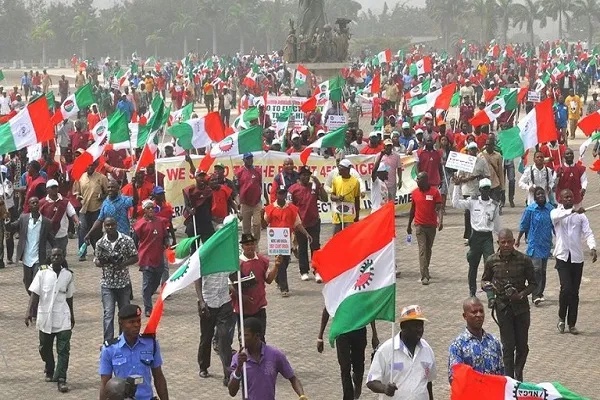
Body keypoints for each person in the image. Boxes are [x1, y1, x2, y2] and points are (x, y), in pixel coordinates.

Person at [481, 228, 536, 381]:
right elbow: (484, 280)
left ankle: (519, 373)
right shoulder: (491, 260)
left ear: (514, 242)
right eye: (503, 242)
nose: (506, 245)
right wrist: (488, 289)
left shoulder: (524, 260)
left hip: (522, 309)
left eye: (509, 242)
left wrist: (521, 294)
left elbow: (533, 283)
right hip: (503, 308)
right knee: (508, 346)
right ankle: (509, 379)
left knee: (522, 347)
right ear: (498, 243)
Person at [25, 248, 74, 393]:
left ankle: (61, 379)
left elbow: (70, 297)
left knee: (64, 350)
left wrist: (72, 315)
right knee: (44, 348)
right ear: (50, 257)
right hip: (45, 316)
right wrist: (29, 311)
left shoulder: (68, 275)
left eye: (59, 255)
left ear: (63, 257)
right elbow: (35, 293)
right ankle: (50, 367)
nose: (57, 257)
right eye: (54, 255)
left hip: (63, 316)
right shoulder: (42, 272)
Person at [551, 189, 597, 335]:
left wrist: (593, 247)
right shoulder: (555, 213)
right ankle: (561, 317)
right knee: (566, 288)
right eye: (566, 197)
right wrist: (573, 212)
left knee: (574, 292)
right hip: (562, 256)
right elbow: (558, 217)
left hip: (577, 258)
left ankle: (572, 323)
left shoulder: (580, 216)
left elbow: (588, 232)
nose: (569, 199)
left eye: (571, 197)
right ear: (561, 199)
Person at [99, 304, 169, 400]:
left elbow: (159, 377)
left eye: (138, 321)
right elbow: (105, 383)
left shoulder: (151, 344)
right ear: (121, 323)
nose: (136, 325)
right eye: (131, 322)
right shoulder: (110, 349)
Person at [366, 305, 435, 400]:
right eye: (415, 325)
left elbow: (428, 382)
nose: (420, 329)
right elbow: (371, 381)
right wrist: (385, 389)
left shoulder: (427, 349)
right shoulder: (386, 350)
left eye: (421, 325)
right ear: (403, 327)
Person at [229, 317, 306, 400]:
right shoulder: (238, 358)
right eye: (240, 334)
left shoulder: (275, 354)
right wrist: (239, 368)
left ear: (257, 336)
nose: (241, 338)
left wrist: (302, 395)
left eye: (245, 335)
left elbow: (292, 378)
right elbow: (232, 392)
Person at [452, 178, 500, 297]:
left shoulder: (494, 205)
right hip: (475, 237)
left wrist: (500, 239)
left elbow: (497, 224)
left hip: (487, 237)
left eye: (488, 189)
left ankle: (490, 296)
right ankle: (472, 291)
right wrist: (457, 186)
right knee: (473, 265)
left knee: (490, 265)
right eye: (484, 189)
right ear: (480, 190)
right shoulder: (473, 202)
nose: (486, 191)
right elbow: (455, 203)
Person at [318, 308, 379, 400]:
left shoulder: (358, 293)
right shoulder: (336, 294)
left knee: (359, 367)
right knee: (345, 367)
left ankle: (357, 384)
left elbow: (368, 307)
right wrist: (320, 337)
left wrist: (374, 334)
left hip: (359, 329)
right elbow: (327, 307)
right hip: (342, 332)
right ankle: (348, 397)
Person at [94, 217, 139, 342]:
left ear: (116, 225)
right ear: (104, 226)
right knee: (108, 314)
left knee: (124, 314)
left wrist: (123, 264)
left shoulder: (126, 240)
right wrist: (102, 261)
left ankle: (123, 340)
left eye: (112, 225)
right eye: (107, 225)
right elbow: (96, 260)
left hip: (123, 283)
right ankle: (108, 341)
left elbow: (135, 257)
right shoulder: (100, 243)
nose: (110, 227)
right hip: (107, 284)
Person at [263, 187, 313, 297]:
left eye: (283, 193)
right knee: (280, 262)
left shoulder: (292, 208)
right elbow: (264, 224)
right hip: (275, 240)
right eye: (279, 193)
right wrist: (262, 214)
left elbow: (297, 223)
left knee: (285, 262)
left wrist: (306, 234)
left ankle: (277, 278)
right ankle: (284, 288)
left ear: (286, 195)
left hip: (287, 240)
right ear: (276, 194)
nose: (281, 196)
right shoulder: (270, 208)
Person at [194, 250, 235, 384]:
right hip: (208, 303)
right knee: (206, 337)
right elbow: (197, 279)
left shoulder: (228, 260)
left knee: (224, 338)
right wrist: (201, 300)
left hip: (224, 302)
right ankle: (203, 366)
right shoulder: (205, 259)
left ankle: (227, 373)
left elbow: (233, 276)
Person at [232, 234, 278, 342]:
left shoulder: (262, 260)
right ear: (242, 247)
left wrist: (276, 266)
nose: (250, 247)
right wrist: (242, 297)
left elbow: (269, 280)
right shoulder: (236, 264)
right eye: (247, 245)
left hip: (259, 307)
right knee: (244, 340)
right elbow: (231, 286)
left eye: (252, 244)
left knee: (260, 338)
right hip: (242, 309)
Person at [448, 297, 503, 383]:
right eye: (474, 312)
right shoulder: (458, 346)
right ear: (465, 316)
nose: (479, 315)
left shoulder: (494, 342)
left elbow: (501, 373)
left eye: (481, 311)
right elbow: (454, 378)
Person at [288, 166, 328, 282]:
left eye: (308, 175)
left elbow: (325, 199)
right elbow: (290, 207)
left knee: (315, 247)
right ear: (299, 176)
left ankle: (317, 271)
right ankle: (304, 271)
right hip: (300, 224)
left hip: (314, 222)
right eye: (303, 175)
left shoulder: (314, 187)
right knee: (302, 247)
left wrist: (319, 184)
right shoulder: (293, 189)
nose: (306, 177)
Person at [516, 187, 554, 306]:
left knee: (542, 270)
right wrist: (518, 239)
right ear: (535, 197)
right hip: (534, 243)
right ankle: (535, 295)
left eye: (542, 193)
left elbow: (555, 226)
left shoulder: (550, 209)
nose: (541, 195)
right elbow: (524, 225)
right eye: (538, 194)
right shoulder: (530, 210)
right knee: (536, 269)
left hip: (546, 244)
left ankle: (540, 292)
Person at [10, 197, 55, 295]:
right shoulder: (23, 219)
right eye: (32, 203)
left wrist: (57, 251)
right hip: (26, 258)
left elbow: (52, 240)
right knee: (27, 283)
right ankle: (34, 300)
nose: (35, 204)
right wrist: (6, 221)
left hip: (39, 258)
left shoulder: (46, 222)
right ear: (29, 206)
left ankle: (35, 305)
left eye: (36, 202)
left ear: (39, 205)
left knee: (37, 282)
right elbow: (11, 227)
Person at [133, 200, 169, 317]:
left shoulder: (160, 222)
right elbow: (135, 240)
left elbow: (165, 236)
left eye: (152, 208)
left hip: (158, 256)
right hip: (146, 257)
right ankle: (148, 307)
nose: (151, 210)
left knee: (156, 282)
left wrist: (166, 243)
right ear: (144, 210)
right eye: (148, 208)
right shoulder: (140, 224)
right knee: (147, 284)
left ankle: (149, 293)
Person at [408, 172, 443, 285]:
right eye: (417, 179)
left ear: (426, 180)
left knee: (428, 249)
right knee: (422, 250)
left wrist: (440, 221)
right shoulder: (414, 193)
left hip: (431, 226)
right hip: (419, 225)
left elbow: (439, 208)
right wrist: (409, 225)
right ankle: (424, 275)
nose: (417, 181)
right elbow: (412, 210)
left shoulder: (434, 192)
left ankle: (425, 269)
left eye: (419, 179)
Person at [73, 161, 109, 260]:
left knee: (96, 231)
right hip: (84, 209)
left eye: (91, 165)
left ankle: (98, 251)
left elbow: (108, 192)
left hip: (97, 208)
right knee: (82, 229)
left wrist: (102, 196)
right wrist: (78, 197)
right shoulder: (81, 177)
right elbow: (77, 192)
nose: (89, 167)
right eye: (88, 165)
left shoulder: (101, 178)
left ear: (94, 166)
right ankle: (82, 252)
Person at [455, 142, 490, 243]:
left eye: (474, 149)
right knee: (467, 212)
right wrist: (467, 178)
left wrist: (479, 177)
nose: (473, 151)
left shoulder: (482, 161)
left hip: (478, 190)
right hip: (467, 190)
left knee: (477, 212)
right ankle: (468, 235)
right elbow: (459, 177)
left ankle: (476, 233)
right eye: (471, 149)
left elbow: (487, 175)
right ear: (468, 151)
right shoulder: (464, 161)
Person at [38, 179, 79, 255]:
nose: (55, 189)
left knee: (61, 256)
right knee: (49, 256)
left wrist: (77, 221)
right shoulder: (42, 202)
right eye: (52, 187)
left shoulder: (64, 201)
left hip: (62, 234)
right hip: (48, 234)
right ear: (47, 189)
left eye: (56, 187)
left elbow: (72, 213)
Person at [235, 153, 263, 241]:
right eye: (247, 158)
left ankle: (256, 243)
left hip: (256, 202)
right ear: (244, 160)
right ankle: (247, 245)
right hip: (245, 203)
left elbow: (261, 184)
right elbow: (236, 188)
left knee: (257, 224)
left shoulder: (258, 170)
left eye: (251, 158)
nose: (250, 160)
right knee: (246, 227)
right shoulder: (239, 172)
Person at [330, 159, 361, 234]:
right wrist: (338, 198)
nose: (339, 171)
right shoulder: (335, 180)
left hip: (349, 214)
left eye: (341, 169)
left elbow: (357, 199)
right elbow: (332, 196)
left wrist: (357, 215)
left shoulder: (355, 182)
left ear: (347, 169)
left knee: (349, 236)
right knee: (336, 237)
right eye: (339, 169)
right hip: (337, 214)